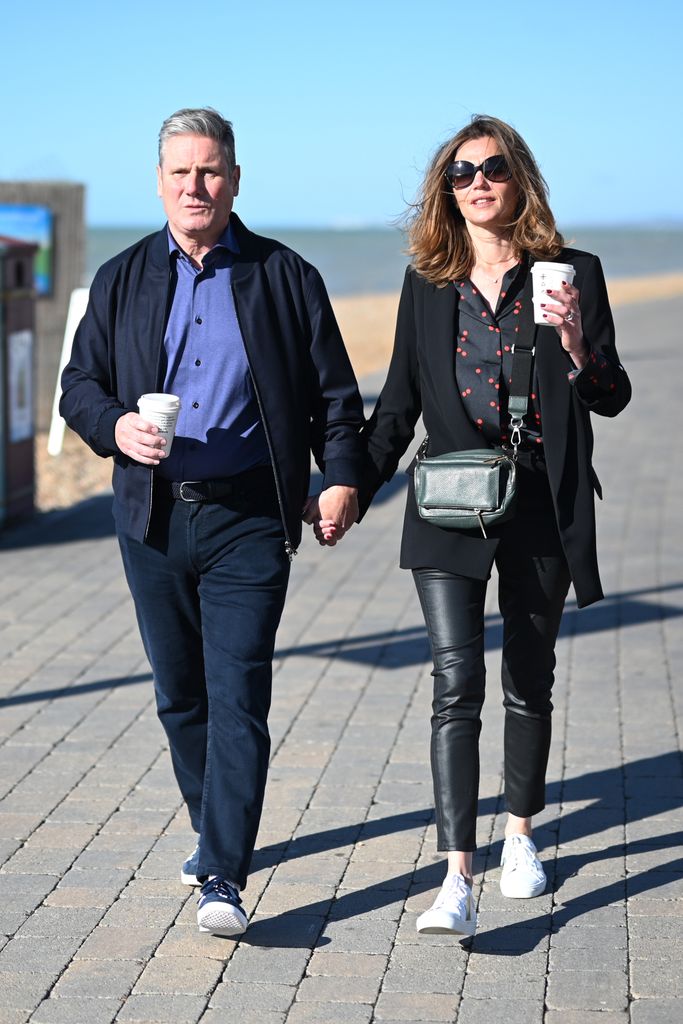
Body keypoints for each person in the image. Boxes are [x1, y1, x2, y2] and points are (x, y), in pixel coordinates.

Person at [60, 107, 363, 938]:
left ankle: (223, 873)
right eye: (181, 172)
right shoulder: (123, 277)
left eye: (211, 170)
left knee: (238, 694)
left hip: (248, 520)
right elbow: (78, 387)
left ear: (235, 178)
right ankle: (211, 830)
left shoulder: (285, 276)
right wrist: (114, 426)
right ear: (158, 182)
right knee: (179, 696)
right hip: (149, 519)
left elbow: (338, 402)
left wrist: (340, 481)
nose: (196, 186)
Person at [350, 114, 631, 938]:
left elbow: (609, 396)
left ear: (519, 180)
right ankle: (455, 877)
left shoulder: (571, 272)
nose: (477, 182)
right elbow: (396, 408)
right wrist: (345, 489)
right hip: (448, 504)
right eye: (461, 173)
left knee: (528, 677)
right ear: (446, 191)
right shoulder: (426, 284)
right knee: (453, 683)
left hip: (541, 503)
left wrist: (577, 341)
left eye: (493, 169)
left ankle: (520, 835)